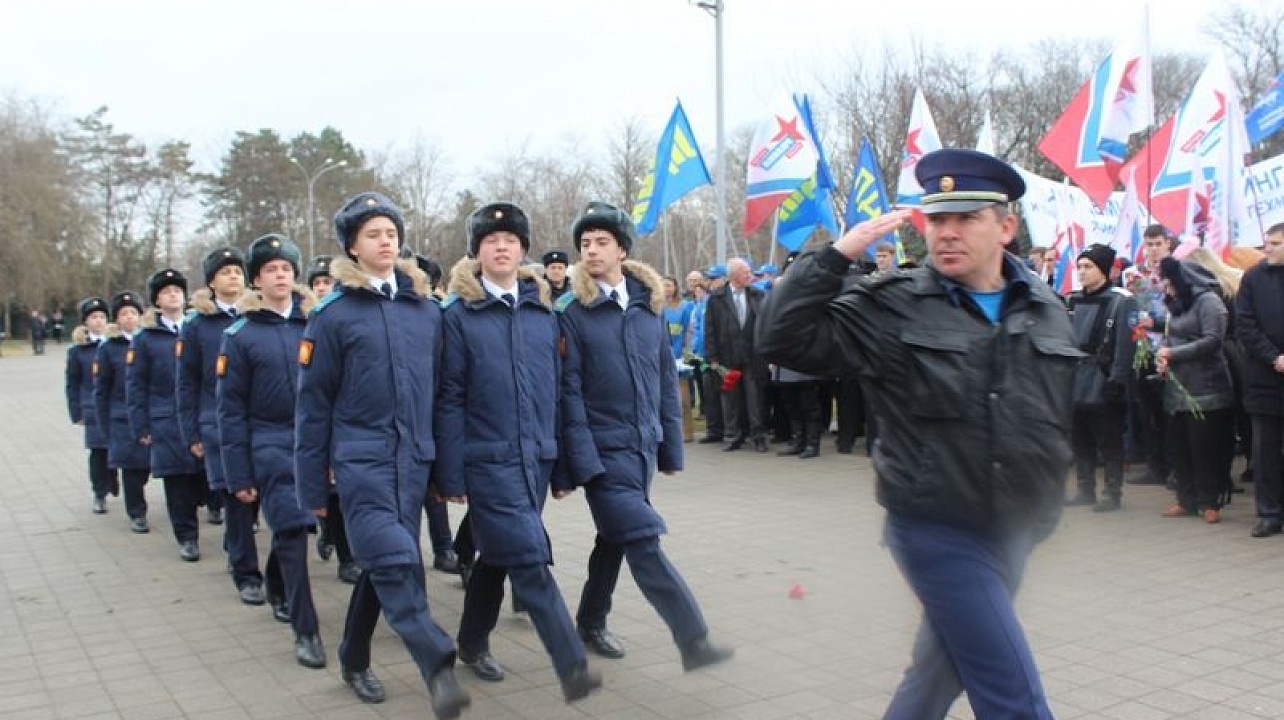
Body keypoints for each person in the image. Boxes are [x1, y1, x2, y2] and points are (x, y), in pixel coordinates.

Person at [758, 148, 1074, 720]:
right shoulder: (894, 304)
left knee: (936, 676)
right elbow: (782, 337)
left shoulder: (1044, 307)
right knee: (1013, 695)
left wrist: (1046, 504)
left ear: (1005, 227)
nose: (947, 232)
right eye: (937, 219)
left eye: (966, 218)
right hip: (937, 528)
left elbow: (1049, 413)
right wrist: (834, 257)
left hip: (1014, 527)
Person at [295, 191, 468, 718]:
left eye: (391, 233)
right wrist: (311, 484)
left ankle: (353, 659)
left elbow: (440, 397)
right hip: (361, 463)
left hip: (413, 463)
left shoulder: (425, 312)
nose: (385, 241)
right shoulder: (332, 316)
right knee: (396, 563)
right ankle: (437, 664)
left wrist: (445, 470)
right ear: (352, 245)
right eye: (373, 234)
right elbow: (313, 405)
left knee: (380, 565)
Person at [435, 202, 602, 702]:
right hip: (486, 460)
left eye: (510, 240)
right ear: (477, 252)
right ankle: (571, 663)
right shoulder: (458, 316)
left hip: (536, 460)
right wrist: (450, 473)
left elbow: (556, 395)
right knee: (529, 556)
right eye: (491, 240)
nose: (501, 247)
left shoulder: (542, 315)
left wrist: (562, 465)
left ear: (523, 249)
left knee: (498, 554)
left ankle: (471, 642)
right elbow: (449, 397)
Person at [559, 200, 734, 672]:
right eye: (584, 243)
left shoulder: (648, 307)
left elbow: (663, 382)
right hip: (602, 453)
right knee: (642, 539)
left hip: (641, 449)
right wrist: (583, 461)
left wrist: (669, 448)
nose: (591, 251)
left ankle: (590, 622)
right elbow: (568, 394)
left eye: (601, 242)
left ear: (621, 250)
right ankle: (693, 640)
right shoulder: (572, 313)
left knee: (614, 539)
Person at [218, 234, 325, 668]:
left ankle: (276, 585)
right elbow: (230, 411)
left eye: (286, 269)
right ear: (256, 280)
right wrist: (238, 474)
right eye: (270, 270)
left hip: (312, 442)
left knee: (293, 528)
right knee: (293, 532)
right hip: (268, 443)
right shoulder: (239, 335)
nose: (280, 276)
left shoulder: (315, 325)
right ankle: (306, 630)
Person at [129, 269, 207, 562]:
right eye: (166, 292)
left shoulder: (197, 327)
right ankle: (187, 537)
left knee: (203, 477)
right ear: (157, 301)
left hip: (199, 413)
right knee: (177, 481)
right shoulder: (146, 338)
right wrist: (141, 424)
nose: (173, 295)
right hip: (166, 419)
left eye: (177, 290)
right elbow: (136, 384)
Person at [1157, 257, 1237, 524]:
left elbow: (1213, 340)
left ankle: (1209, 501)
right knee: (1180, 445)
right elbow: (1169, 335)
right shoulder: (1177, 304)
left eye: (1169, 280)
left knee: (1203, 446)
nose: (1166, 286)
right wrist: (1162, 354)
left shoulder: (1209, 302)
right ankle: (1186, 498)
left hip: (1206, 385)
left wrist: (1174, 353)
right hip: (1178, 386)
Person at [1065, 244, 1136, 512]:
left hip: (1103, 377)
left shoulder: (1122, 301)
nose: (1082, 272)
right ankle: (1085, 489)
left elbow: (1125, 345)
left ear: (1103, 270)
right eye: (1079, 266)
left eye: (1088, 266)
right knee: (1080, 437)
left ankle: (1112, 492)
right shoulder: (1071, 300)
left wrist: (1117, 380)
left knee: (1109, 439)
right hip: (1076, 377)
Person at [305, 254, 360, 582]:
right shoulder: (319, 318)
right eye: (318, 283)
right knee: (332, 498)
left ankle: (345, 550)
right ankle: (339, 545)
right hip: (322, 427)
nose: (323, 287)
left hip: (350, 428)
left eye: (328, 281)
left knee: (341, 500)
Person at [1237, 223, 1284, 537]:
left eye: (1275, 243)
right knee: (1265, 450)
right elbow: (1245, 323)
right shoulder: (1253, 278)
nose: (1267, 248)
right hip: (1264, 377)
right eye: (1267, 242)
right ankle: (1269, 513)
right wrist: (1274, 357)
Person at [94, 291, 151, 534]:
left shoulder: (149, 341)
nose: (129, 317)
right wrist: (104, 425)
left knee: (151, 467)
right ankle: (137, 512)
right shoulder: (109, 348)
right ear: (116, 319)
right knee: (132, 468)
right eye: (123, 314)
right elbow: (101, 390)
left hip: (150, 413)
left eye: (133, 313)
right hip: (122, 417)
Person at [704, 257, 769, 452]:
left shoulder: (758, 295)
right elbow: (710, 330)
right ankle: (733, 436)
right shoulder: (717, 298)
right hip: (727, 356)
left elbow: (764, 325)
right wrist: (713, 358)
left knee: (755, 398)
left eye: (749, 272)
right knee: (730, 399)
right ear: (733, 276)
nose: (750, 275)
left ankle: (758, 436)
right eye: (745, 272)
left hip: (753, 356)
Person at [66, 297, 117, 513]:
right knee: (98, 452)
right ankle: (99, 492)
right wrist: (76, 412)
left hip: (116, 406)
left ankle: (112, 478)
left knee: (116, 449)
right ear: (85, 322)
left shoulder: (116, 344)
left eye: (102, 317)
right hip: (92, 408)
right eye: (94, 317)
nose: (98, 321)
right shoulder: (79, 350)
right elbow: (72, 383)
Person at [696, 265, 727, 444]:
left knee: (725, 395)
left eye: (714, 279)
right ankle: (714, 430)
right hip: (704, 355)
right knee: (710, 395)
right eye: (709, 279)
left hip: (720, 356)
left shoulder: (724, 300)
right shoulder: (705, 301)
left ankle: (729, 429)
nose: (710, 282)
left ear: (724, 279)